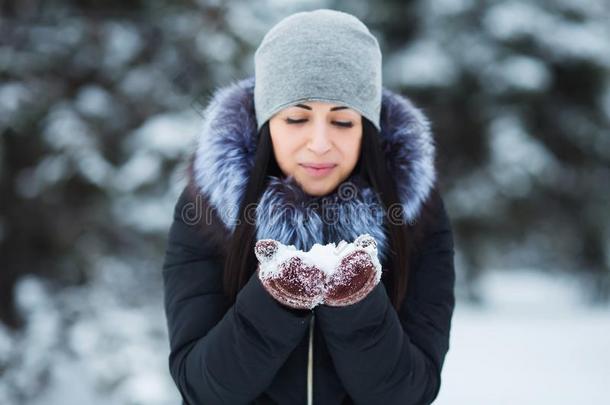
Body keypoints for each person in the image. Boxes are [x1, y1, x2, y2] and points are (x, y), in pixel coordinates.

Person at [162, 8, 455, 405]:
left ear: (367, 128)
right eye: (297, 118)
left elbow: (412, 392)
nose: (319, 143)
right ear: (268, 124)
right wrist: (275, 301)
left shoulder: (415, 214)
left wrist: (356, 302)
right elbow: (201, 389)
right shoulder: (207, 209)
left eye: (343, 122)